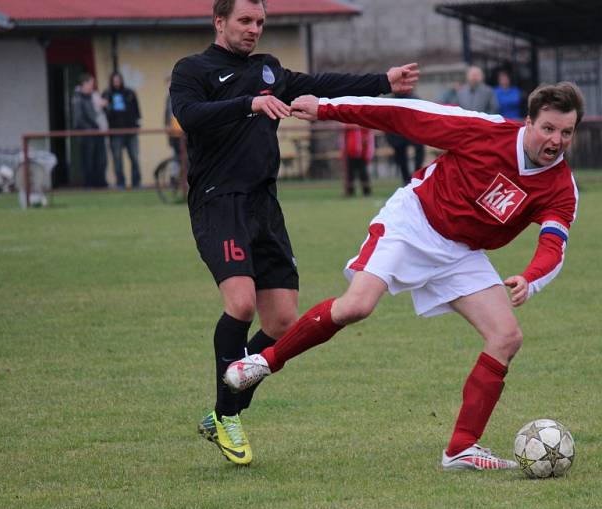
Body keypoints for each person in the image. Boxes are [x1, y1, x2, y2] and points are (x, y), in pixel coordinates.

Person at [226, 81, 584, 471]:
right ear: (528, 122)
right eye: (548, 128)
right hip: (413, 222)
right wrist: (327, 108)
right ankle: (263, 361)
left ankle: (461, 449)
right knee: (357, 306)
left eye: (566, 132)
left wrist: (529, 278)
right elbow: (402, 115)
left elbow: (554, 245)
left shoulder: (561, 187)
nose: (556, 140)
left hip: (461, 253)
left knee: (506, 336)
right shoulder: (484, 130)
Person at [169, 0, 419, 466]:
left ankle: (221, 413)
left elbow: (322, 84)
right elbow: (189, 114)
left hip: (265, 206)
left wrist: (383, 82)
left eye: (260, 22)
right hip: (220, 202)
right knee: (241, 304)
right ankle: (228, 417)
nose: (254, 29)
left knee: (283, 323)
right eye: (245, 20)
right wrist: (249, 103)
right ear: (219, 21)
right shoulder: (193, 68)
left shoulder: (269, 69)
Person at [103, 72, 142, 189]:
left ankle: (136, 183)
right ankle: (120, 183)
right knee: (117, 159)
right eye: (114, 80)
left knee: (134, 157)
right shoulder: (107, 94)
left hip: (131, 130)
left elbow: (137, 110)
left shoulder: (129, 92)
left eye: (118, 79)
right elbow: (103, 113)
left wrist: (137, 124)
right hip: (115, 132)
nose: (116, 82)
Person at [71, 73, 107, 188]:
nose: (93, 86)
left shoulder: (93, 96)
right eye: (91, 83)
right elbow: (78, 119)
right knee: (88, 161)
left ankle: (100, 183)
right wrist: (92, 128)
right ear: (84, 84)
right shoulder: (78, 98)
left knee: (101, 159)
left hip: (97, 133)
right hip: (87, 135)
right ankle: (89, 184)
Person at [386, 91, 426, 185]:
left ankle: (416, 176)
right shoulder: (391, 102)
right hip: (398, 133)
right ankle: (407, 179)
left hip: (412, 131)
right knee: (401, 154)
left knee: (419, 149)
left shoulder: (414, 99)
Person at [341, 123, 374, 196]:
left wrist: (368, 152)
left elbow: (369, 136)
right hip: (350, 151)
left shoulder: (363, 122)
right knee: (350, 173)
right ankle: (350, 192)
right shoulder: (348, 123)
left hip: (362, 152)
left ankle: (367, 192)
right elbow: (344, 136)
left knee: (363, 173)